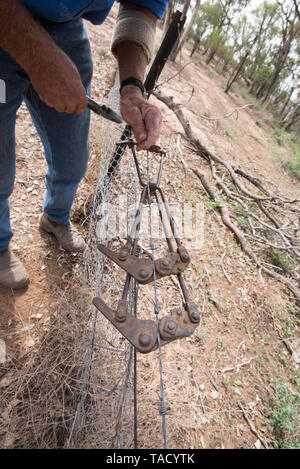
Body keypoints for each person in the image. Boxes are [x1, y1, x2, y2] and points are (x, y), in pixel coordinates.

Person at [0, 0, 168, 289]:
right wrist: (38, 56)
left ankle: (55, 217)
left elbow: (140, 9)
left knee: (73, 158)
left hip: (64, 27)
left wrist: (131, 86)